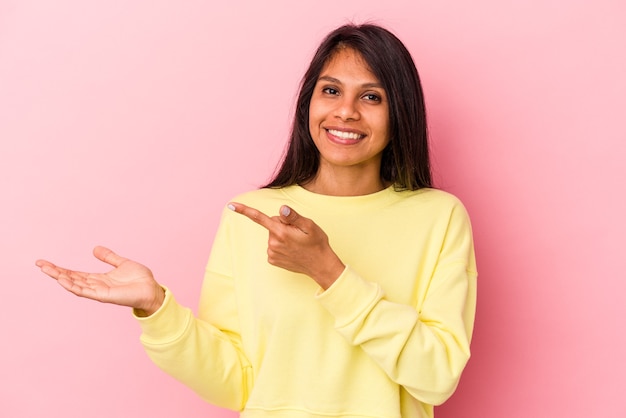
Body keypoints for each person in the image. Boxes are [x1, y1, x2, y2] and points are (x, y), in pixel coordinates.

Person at [36, 23, 477, 418]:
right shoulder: (253, 216)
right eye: (330, 91)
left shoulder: (438, 218)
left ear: (400, 112)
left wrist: (328, 272)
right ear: (308, 102)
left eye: (371, 96)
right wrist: (156, 309)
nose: (345, 111)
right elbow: (236, 383)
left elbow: (436, 376)